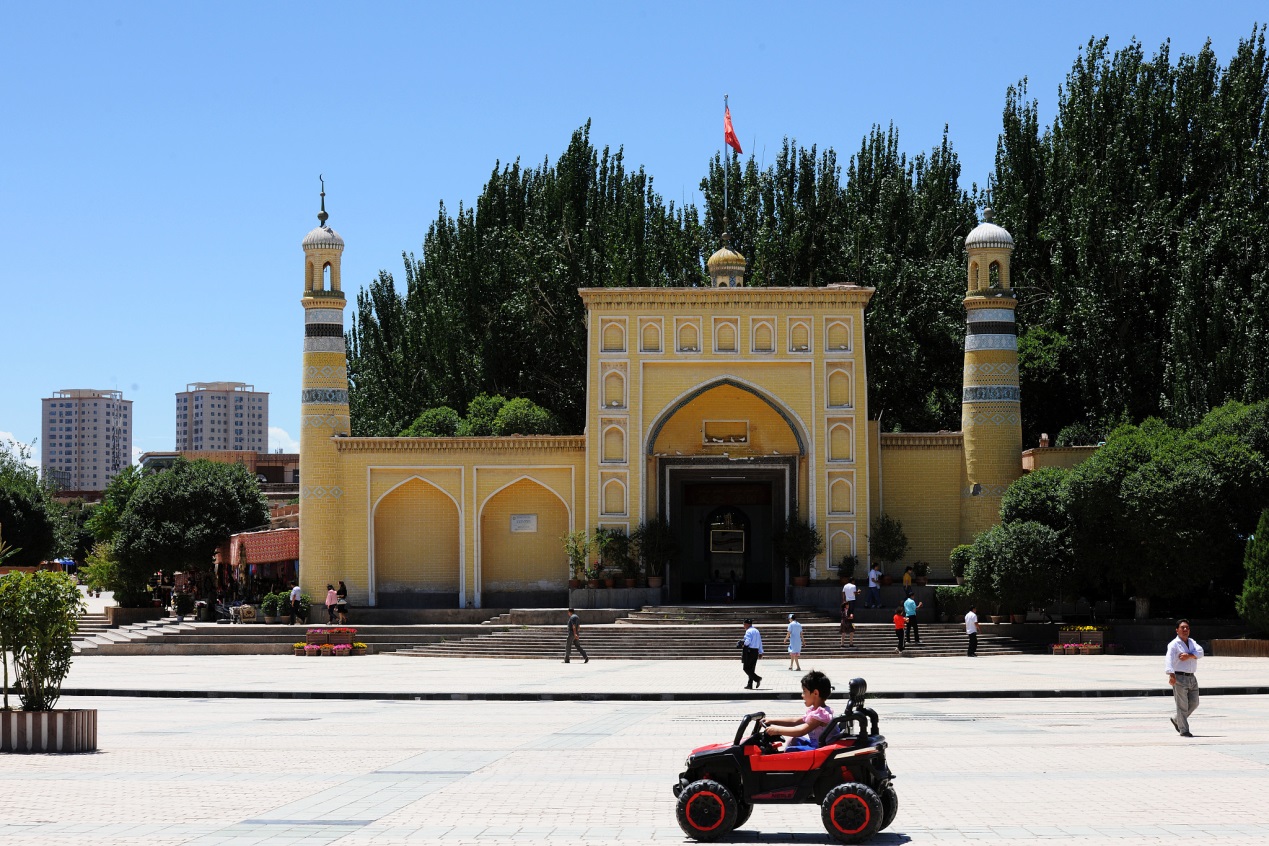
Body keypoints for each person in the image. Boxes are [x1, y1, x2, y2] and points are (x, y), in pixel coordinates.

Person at [763, 670, 835, 750]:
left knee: (790, 750)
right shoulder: (815, 711)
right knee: (793, 740)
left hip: (822, 750)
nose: (802, 695)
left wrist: (777, 730)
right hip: (817, 746)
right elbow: (795, 721)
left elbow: (801, 731)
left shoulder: (821, 714)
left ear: (815, 693)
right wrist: (772, 720)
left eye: (804, 691)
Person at [1166, 618, 1203, 737]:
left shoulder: (1192, 642)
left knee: (1194, 702)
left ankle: (1177, 719)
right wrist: (1171, 675)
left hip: (1192, 677)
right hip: (1179, 677)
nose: (1185, 630)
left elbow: (1201, 652)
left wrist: (1189, 656)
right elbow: (1168, 660)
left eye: (1187, 628)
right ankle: (1184, 730)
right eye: (1182, 628)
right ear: (1177, 630)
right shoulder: (1173, 644)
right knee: (1181, 705)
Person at [738, 618, 763, 689]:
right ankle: (750, 684)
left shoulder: (748, 631)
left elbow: (748, 641)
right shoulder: (756, 631)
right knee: (752, 668)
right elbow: (760, 642)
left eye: (744, 624)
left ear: (747, 624)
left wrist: (743, 644)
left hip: (749, 651)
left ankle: (757, 678)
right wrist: (761, 652)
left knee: (746, 668)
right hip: (755, 651)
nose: (744, 626)